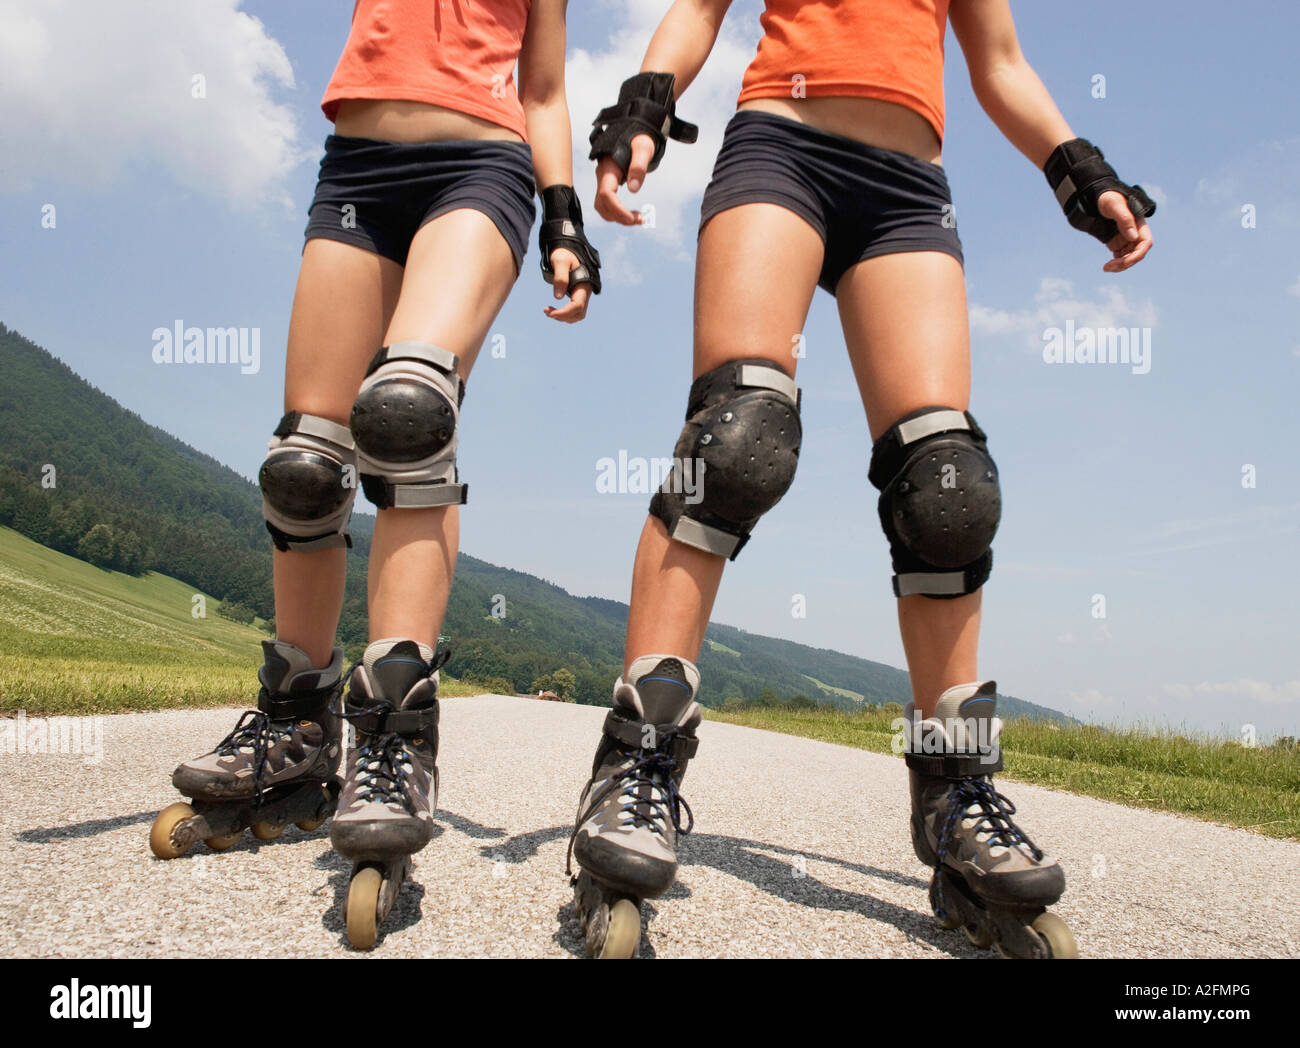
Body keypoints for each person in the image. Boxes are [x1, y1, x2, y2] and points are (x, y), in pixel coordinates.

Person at [566, 0, 1153, 958]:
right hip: (780, 150)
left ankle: (956, 791)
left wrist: (1079, 171)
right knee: (735, 443)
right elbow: (696, 11)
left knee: (948, 488)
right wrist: (644, 102)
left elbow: (999, 63)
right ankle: (638, 762)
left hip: (909, 187)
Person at [149, 0, 601, 951]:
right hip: (357, 167)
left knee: (405, 419)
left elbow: (547, 82)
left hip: (482, 165)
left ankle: (393, 732)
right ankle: (297, 727)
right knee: (305, 468)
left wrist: (564, 212)